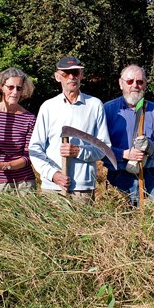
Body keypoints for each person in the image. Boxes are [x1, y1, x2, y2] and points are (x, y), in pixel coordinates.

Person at [29, 56, 111, 204]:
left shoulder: (94, 105)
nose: (71, 77)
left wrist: (79, 151)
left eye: (75, 72)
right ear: (57, 77)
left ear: (82, 75)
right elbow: (35, 148)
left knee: (82, 227)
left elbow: (104, 147)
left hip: (83, 189)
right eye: (66, 73)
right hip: (53, 188)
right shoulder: (48, 107)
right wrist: (53, 174)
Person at [103, 64, 154, 205]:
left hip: (149, 178)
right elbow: (99, 147)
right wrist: (123, 154)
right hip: (118, 177)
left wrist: (151, 147)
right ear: (121, 83)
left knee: (150, 222)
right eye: (130, 81)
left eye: (140, 82)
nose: (135, 85)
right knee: (119, 223)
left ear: (145, 84)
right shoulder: (108, 110)